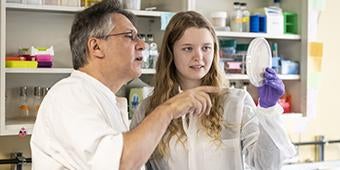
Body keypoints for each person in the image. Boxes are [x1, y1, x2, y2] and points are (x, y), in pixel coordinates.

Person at [30, 1, 220, 169]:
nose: (142, 45)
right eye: (130, 36)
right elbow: (121, 162)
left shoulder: (101, 98)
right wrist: (169, 108)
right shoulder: (69, 95)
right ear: (96, 47)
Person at [130, 11, 296, 170]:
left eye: (206, 48)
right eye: (188, 48)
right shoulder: (149, 110)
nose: (199, 57)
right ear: (170, 53)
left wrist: (269, 111)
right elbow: (132, 164)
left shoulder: (235, 103)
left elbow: (267, 165)